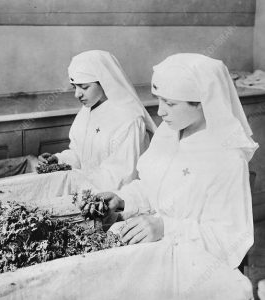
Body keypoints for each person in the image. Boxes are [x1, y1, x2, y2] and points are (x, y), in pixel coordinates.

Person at [98, 53, 258, 299]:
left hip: (194, 267)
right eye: (159, 100)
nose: (160, 112)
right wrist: (124, 199)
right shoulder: (168, 134)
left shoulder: (226, 157)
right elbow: (152, 186)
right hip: (155, 249)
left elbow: (229, 238)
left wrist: (166, 228)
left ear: (202, 102)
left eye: (170, 104)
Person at [38, 50, 156, 194]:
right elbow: (79, 155)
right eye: (75, 87)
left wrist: (77, 180)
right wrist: (59, 160)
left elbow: (123, 176)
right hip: (85, 190)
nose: (77, 94)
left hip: (115, 199)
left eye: (84, 87)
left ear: (105, 82)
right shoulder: (85, 112)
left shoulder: (128, 119)